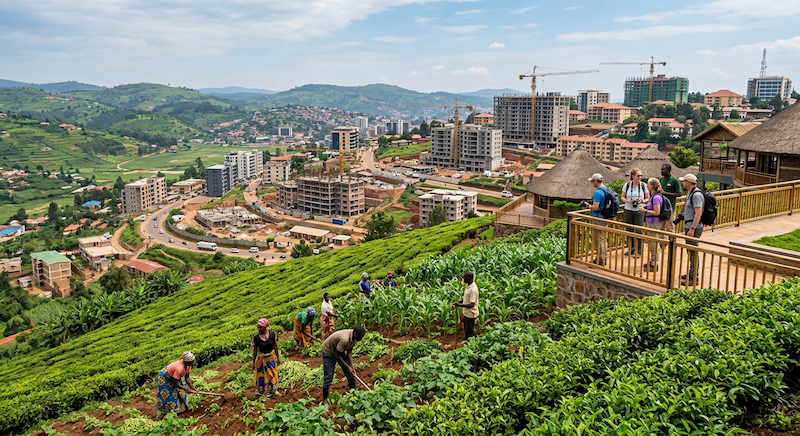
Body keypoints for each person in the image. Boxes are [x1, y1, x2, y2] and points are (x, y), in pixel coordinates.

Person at [321, 325, 366, 406]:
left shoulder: (355, 337)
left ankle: (353, 394)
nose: (361, 339)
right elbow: (337, 355)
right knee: (328, 377)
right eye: (361, 337)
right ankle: (325, 399)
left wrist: (352, 367)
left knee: (351, 374)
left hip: (338, 350)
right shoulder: (345, 339)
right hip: (328, 352)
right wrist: (347, 367)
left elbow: (349, 352)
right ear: (355, 334)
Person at [680, 174, 704, 286]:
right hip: (689, 225)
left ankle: (694, 278)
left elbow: (698, 213)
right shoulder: (691, 193)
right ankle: (691, 273)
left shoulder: (696, 195)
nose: (682, 183)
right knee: (690, 251)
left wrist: (692, 229)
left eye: (684, 181)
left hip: (693, 227)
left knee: (693, 252)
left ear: (688, 182)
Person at [621, 168, 649, 257]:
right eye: (638, 176)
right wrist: (627, 201)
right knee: (629, 229)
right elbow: (622, 197)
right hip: (628, 209)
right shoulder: (627, 185)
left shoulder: (644, 185)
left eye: (641, 175)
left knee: (639, 230)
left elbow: (648, 198)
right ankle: (630, 249)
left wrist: (642, 201)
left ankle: (639, 250)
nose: (640, 177)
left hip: (639, 210)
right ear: (633, 176)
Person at [639, 178, 665, 272]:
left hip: (654, 222)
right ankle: (652, 261)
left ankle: (654, 263)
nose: (647, 186)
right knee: (652, 242)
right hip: (651, 222)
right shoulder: (653, 196)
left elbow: (657, 212)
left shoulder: (656, 197)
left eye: (648, 184)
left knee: (653, 243)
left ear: (652, 186)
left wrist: (645, 211)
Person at [251, 318, 280, 397]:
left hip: (271, 358)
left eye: (260, 327)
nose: (259, 329)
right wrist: (253, 362)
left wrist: (278, 358)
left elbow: (275, 346)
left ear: (265, 327)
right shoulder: (256, 337)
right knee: (263, 377)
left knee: (272, 375)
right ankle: (265, 392)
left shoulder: (271, 334)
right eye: (258, 327)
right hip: (262, 359)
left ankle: (273, 390)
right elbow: (255, 350)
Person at [585, 173, 608, 266]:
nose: (592, 183)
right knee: (602, 238)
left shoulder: (598, 192)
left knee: (598, 239)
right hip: (604, 217)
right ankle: (603, 256)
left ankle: (600, 259)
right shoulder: (607, 189)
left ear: (595, 181)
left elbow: (595, 207)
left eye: (592, 181)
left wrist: (588, 205)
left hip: (598, 217)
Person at [451, 271, 479, 341]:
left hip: (471, 314)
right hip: (467, 313)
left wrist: (459, 305)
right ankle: (467, 342)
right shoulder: (468, 285)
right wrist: (458, 302)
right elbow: (467, 299)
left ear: (470, 278)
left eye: (465, 278)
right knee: (466, 329)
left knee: (469, 332)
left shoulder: (473, 289)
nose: (463, 279)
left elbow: (472, 304)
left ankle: (470, 344)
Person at [659, 164, 681, 233]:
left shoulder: (674, 180)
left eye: (663, 169)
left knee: (670, 227)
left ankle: (672, 242)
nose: (661, 171)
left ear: (669, 171)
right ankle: (662, 243)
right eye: (661, 169)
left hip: (670, 208)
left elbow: (679, 193)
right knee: (661, 228)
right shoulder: (660, 179)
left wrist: (666, 193)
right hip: (660, 208)